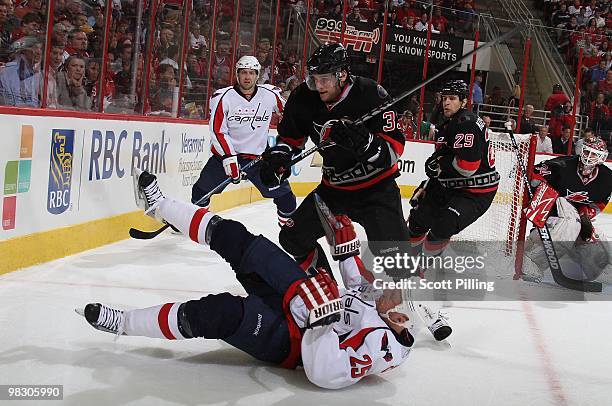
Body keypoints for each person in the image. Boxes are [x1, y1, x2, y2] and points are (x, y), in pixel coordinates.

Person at [77, 169, 453, 390]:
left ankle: (122, 323)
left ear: (402, 317)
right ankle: (159, 205)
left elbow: (323, 373)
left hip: (293, 340)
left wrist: (322, 324)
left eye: (396, 290)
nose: (389, 285)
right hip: (303, 295)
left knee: (219, 313)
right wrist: (346, 247)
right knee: (238, 238)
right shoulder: (386, 301)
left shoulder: (382, 348)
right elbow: (356, 286)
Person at [259, 43, 408, 277]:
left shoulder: (370, 94)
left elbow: (393, 152)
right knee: (292, 239)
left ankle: (407, 307)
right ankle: (323, 285)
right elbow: (290, 139)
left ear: (342, 74)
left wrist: (365, 143)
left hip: (376, 191)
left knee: (398, 263)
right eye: (313, 78)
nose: (317, 86)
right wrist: (279, 157)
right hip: (334, 190)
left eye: (324, 79)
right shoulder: (303, 97)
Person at [192, 55, 296, 226]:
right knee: (200, 192)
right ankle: (197, 223)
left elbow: (291, 113)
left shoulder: (270, 94)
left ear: (257, 75)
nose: (247, 77)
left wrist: (286, 141)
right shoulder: (222, 97)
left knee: (285, 197)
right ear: (237, 74)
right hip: (225, 158)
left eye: (251, 73)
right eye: (243, 73)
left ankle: (289, 227)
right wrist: (229, 158)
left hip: (259, 159)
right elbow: (218, 131)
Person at [407, 80, 498, 256]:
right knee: (419, 220)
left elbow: (467, 167)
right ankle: (407, 258)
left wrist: (439, 166)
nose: (446, 102)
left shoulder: (466, 123)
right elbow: (447, 156)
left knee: (443, 226)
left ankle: (422, 265)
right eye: (445, 98)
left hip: (475, 192)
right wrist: (429, 184)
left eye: (452, 98)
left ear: (464, 102)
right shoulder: (451, 122)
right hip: (452, 185)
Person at [521, 137, 611, 283]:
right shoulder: (563, 165)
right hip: (553, 214)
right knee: (571, 225)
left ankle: (596, 272)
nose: (588, 157)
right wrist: (536, 191)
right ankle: (533, 262)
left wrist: (584, 216)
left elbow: (598, 204)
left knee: (596, 239)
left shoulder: (607, 179)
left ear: (602, 157)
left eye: (593, 154)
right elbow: (535, 174)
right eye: (587, 152)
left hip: (575, 215)